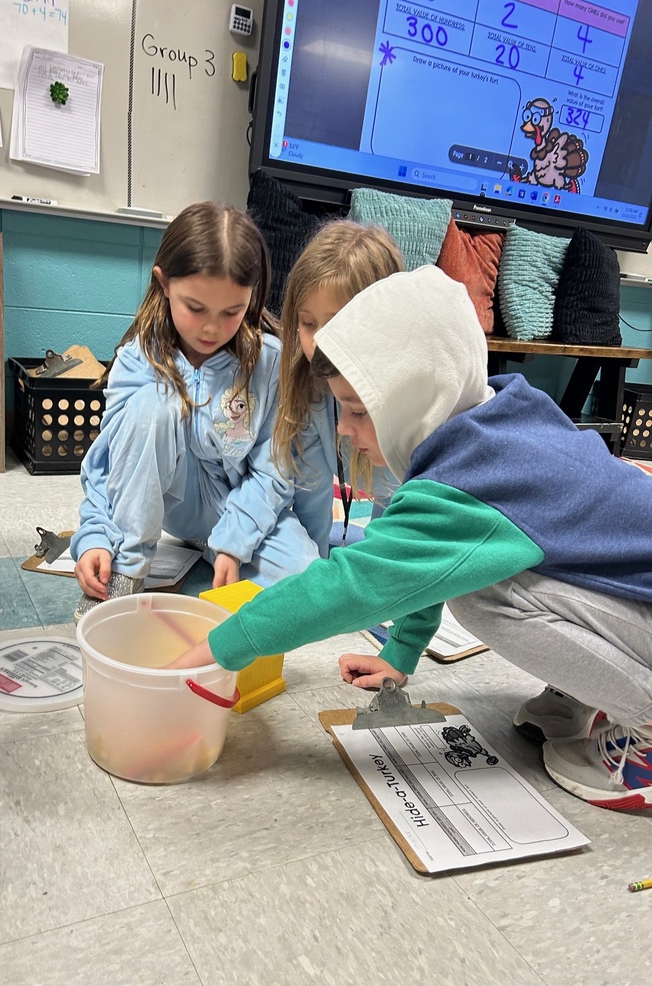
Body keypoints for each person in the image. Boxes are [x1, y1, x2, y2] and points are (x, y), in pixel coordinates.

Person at [169, 265, 652, 812]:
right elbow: (428, 563)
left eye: (356, 410)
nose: (346, 429)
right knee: (491, 573)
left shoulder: (476, 481)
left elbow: (361, 583)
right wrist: (400, 654)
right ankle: (588, 696)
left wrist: (222, 647)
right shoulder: (498, 414)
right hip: (634, 604)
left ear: (415, 400)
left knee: (486, 599)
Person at [71, 201, 319, 620]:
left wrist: (232, 542)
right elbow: (107, 466)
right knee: (152, 406)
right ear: (163, 284)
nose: (211, 329)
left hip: (234, 511)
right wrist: (96, 537)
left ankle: (209, 549)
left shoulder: (269, 362)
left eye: (232, 312)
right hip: (164, 508)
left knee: (310, 584)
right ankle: (129, 568)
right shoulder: (137, 358)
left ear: (252, 297)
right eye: (196, 308)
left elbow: (275, 472)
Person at [273, 220, 404, 555]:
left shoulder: (405, 402)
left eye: (334, 324)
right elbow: (310, 500)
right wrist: (313, 572)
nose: (318, 343)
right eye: (308, 323)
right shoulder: (307, 386)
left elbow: (397, 519)